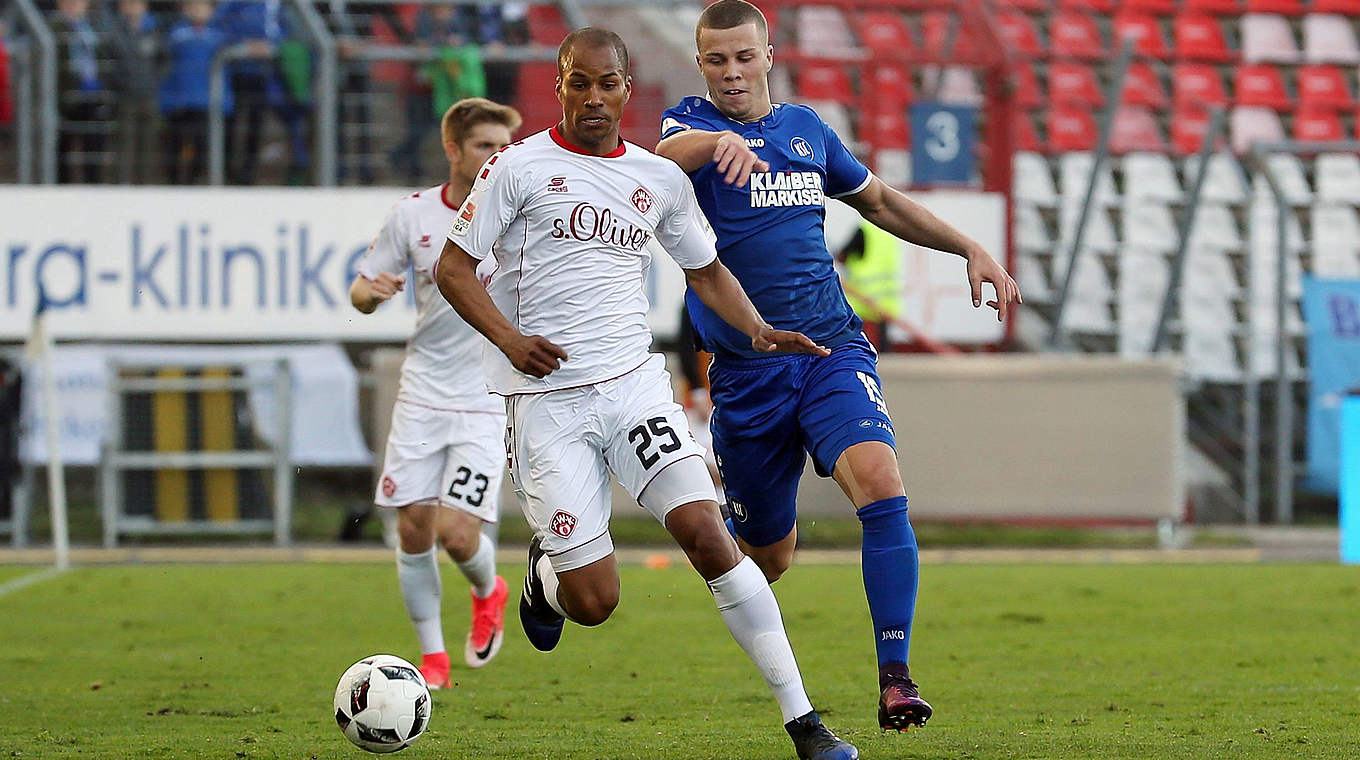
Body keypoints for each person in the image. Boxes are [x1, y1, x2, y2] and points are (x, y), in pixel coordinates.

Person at [436, 28, 859, 760]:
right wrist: (510, 339)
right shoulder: (516, 167)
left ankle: (807, 725)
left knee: (710, 538)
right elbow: (452, 268)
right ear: (561, 87)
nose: (593, 97)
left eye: (607, 83)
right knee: (596, 603)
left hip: (635, 390)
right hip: (547, 406)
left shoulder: (657, 180)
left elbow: (705, 269)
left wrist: (759, 329)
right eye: (578, 83)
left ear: (629, 88)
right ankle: (545, 576)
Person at [654, 0, 1022, 733]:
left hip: (830, 349)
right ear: (701, 63)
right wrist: (712, 148)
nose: (731, 72)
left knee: (881, 482)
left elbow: (878, 201)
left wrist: (968, 248)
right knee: (770, 558)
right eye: (717, 59)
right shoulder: (685, 124)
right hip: (748, 370)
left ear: (769, 54)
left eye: (743, 56)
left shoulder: (807, 132)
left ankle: (896, 678)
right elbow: (665, 159)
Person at [349, 97, 523, 685]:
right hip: (422, 392)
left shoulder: (522, 213)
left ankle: (489, 587)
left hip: (484, 396)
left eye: (505, 145)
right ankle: (433, 658)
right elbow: (362, 292)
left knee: (456, 533)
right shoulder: (413, 215)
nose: (498, 155)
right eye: (484, 146)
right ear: (454, 150)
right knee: (413, 528)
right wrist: (371, 293)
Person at [161, 0, 231, 184]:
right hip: (178, 100)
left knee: (202, 146)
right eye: (193, 5)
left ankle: (195, 183)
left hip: (206, 101)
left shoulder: (219, 34)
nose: (197, 10)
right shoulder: (175, 33)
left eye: (202, 6)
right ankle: (173, 183)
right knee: (175, 145)